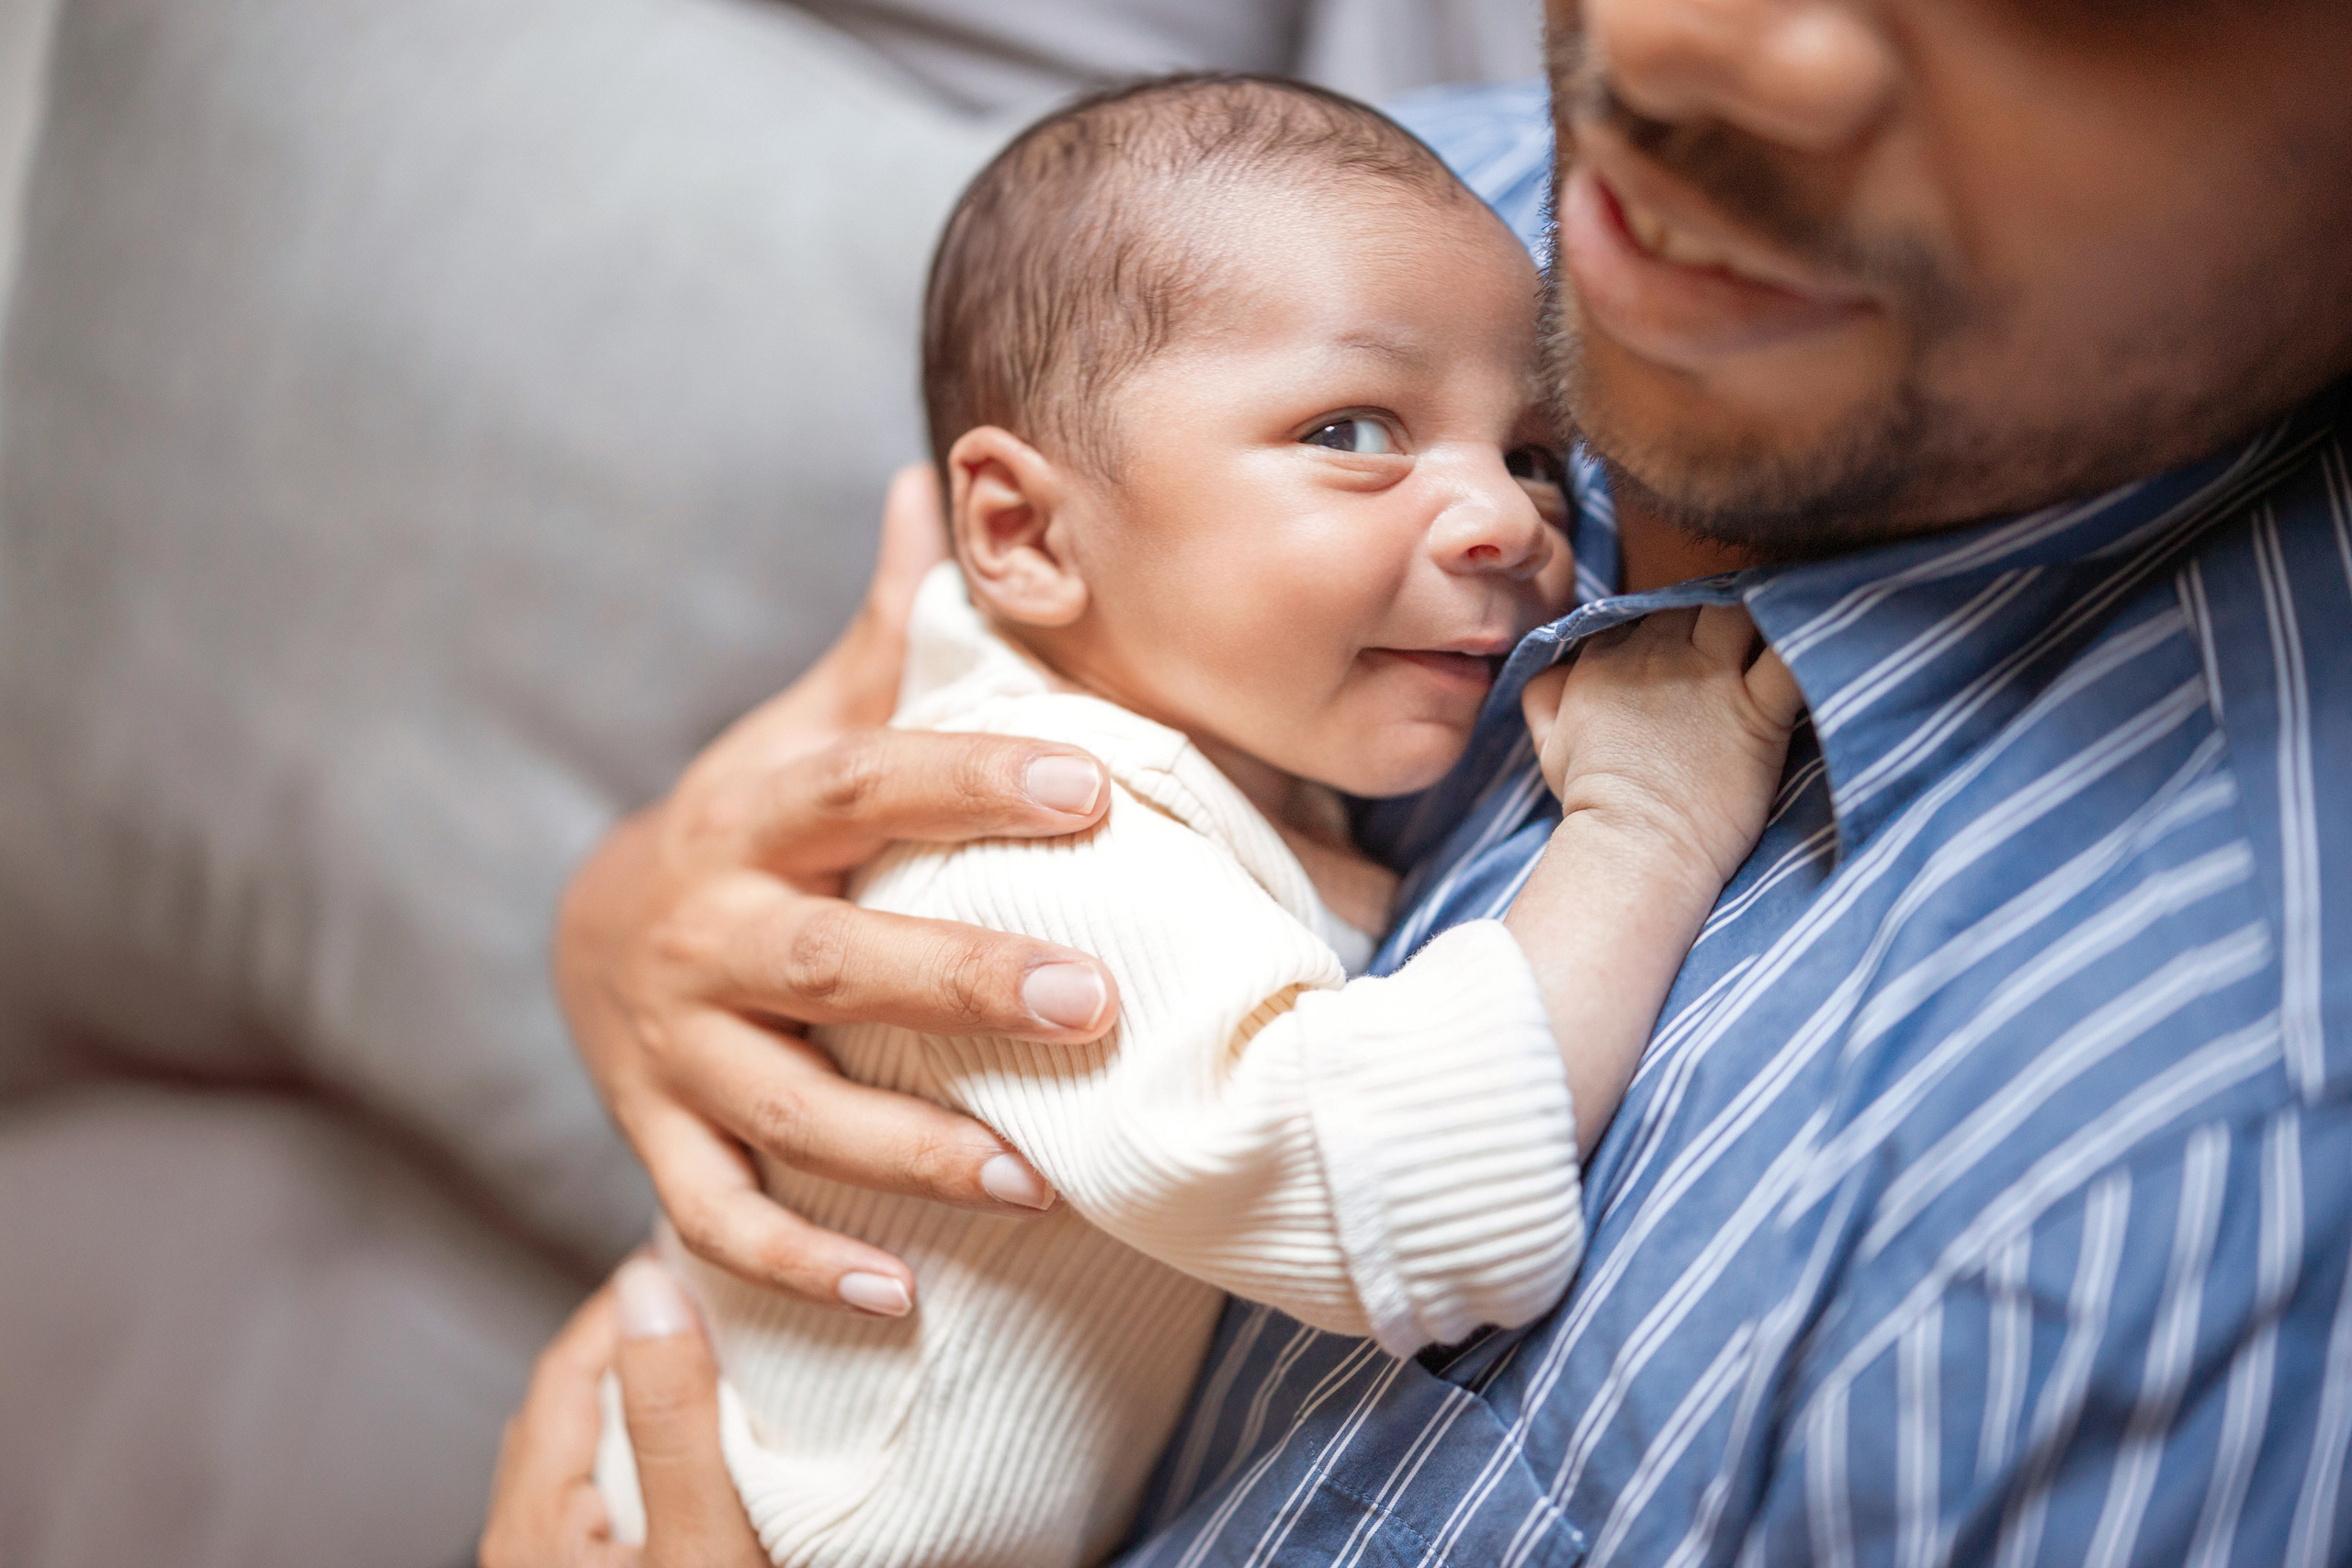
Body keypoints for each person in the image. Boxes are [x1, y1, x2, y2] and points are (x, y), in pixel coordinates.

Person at [485, 0, 2352, 1563]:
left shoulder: (2182, 1173)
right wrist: (634, 926)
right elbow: (863, 824)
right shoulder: (1374, 203)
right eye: (1356, 435)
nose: (1674, 37)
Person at [590, 74, 1802, 1566]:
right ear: (1027, 535)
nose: (1507, 524)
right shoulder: (1048, 832)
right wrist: (1644, 828)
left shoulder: (1211, 744)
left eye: (1537, 456)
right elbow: (1412, 1200)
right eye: (1355, 429)